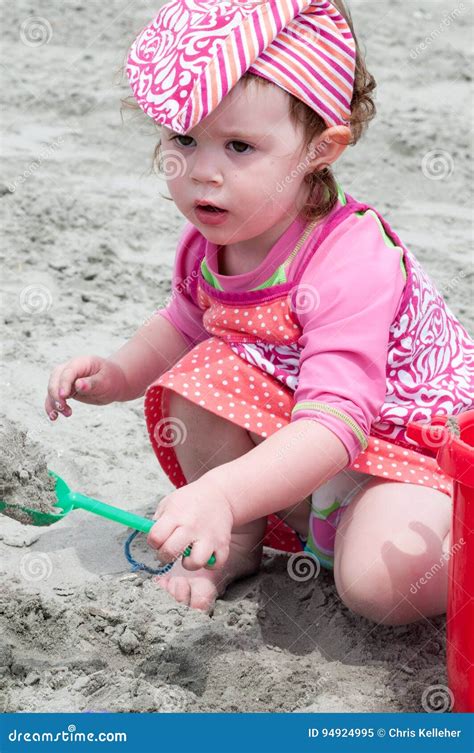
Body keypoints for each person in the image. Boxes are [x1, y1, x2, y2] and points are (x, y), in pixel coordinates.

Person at [45, 0, 473, 621]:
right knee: (197, 375)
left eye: (240, 146)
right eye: (184, 140)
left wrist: (220, 488)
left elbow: (341, 419)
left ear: (320, 150)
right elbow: (184, 326)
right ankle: (241, 539)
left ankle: (372, 527)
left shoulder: (350, 258)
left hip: (401, 450)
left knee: (381, 587)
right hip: (306, 444)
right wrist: (117, 377)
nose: (202, 173)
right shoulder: (211, 241)